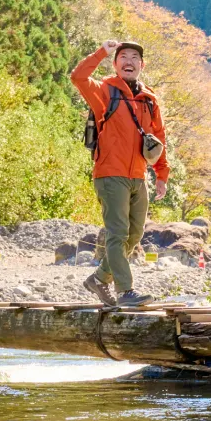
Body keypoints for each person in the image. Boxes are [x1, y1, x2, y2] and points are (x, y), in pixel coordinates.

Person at [70, 38, 170, 308]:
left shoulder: (149, 99)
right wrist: (102, 51)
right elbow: (78, 77)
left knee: (134, 235)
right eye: (123, 57)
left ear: (141, 65)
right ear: (115, 64)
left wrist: (161, 174)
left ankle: (99, 279)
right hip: (110, 174)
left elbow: (158, 138)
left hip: (139, 176)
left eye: (134, 58)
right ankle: (126, 292)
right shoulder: (104, 91)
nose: (129, 61)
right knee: (117, 233)